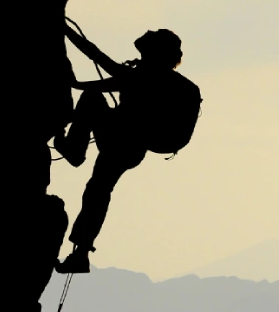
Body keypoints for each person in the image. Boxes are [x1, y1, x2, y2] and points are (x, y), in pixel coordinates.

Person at [54, 26, 191, 273]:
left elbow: (95, 56)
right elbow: (100, 64)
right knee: (98, 189)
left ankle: (74, 149)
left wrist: (64, 29)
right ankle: (81, 253)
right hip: (134, 149)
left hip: (119, 140)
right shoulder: (169, 82)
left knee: (97, 188)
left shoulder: (141, 76)